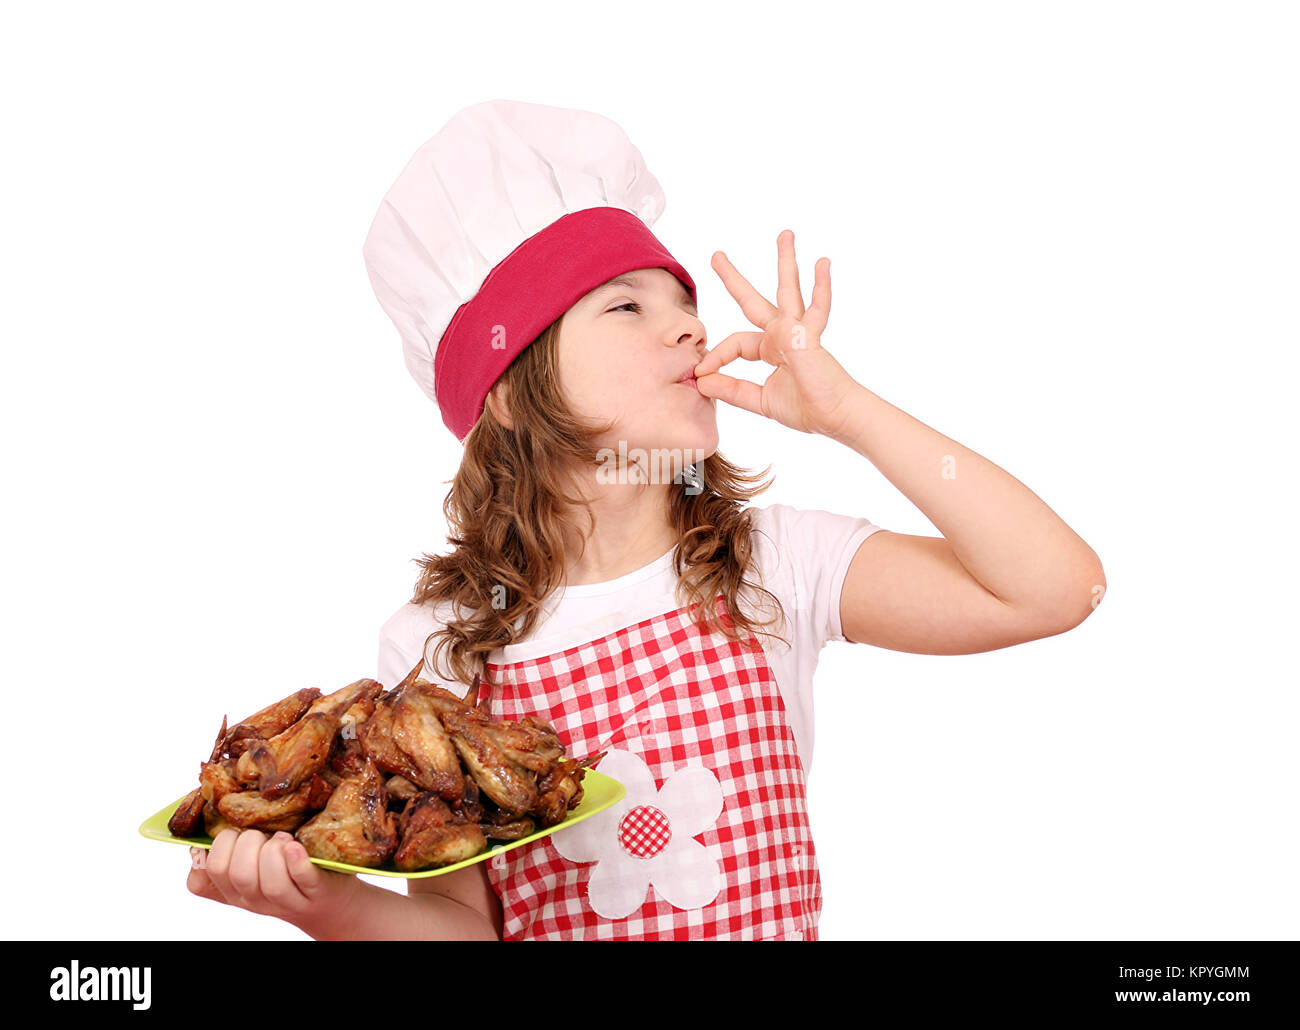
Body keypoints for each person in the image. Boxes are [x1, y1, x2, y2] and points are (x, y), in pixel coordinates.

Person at [185, 100, 1105, 940]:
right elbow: (460, 932)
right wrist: (330, 905)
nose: (689, 331)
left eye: (685, 308)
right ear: (507, 391)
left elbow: (1057, 588)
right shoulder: (439, 648)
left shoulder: (775, 564)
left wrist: (850, 413)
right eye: (627, 306)